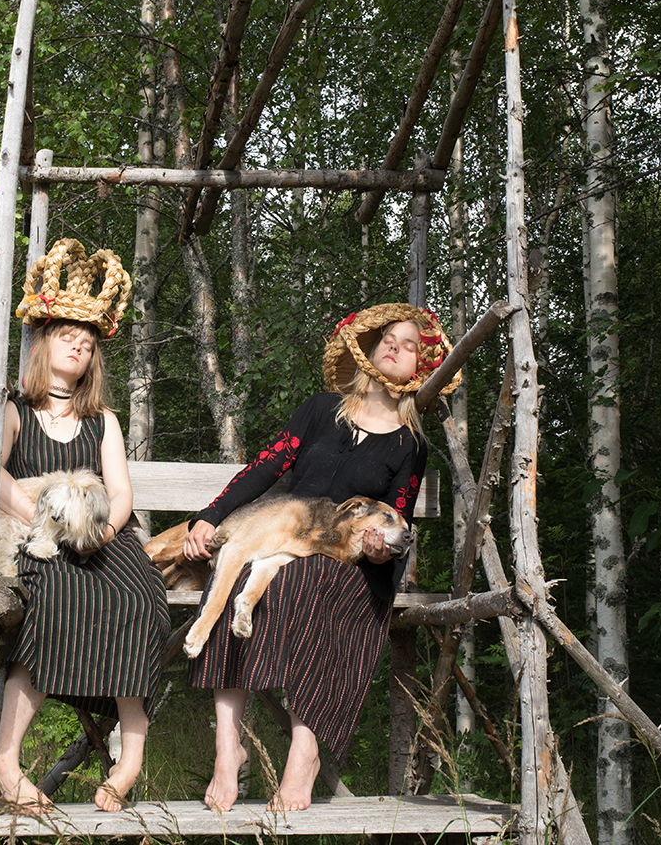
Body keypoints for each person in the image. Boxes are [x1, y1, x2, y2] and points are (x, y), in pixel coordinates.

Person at [182, 303, 459, 811]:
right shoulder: (320, 410)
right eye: (389, 338)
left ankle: (304, 754)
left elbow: (398, 517)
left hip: (353, 564)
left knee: (303, 582)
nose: (396, 346)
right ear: (371, 348)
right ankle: (228, 746)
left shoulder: (409, 444)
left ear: (418, 366)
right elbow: (265, 468)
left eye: (409, 345)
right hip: (291, 535)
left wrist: (379, 554)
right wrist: (210, 515)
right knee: (240, 572)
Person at [0, 239, 169, 813]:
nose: (79, 345)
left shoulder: (102, 420)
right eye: (69, 335)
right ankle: (6, 763)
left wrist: (104, 533)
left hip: (102, 539)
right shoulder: (15, 411)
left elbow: (122, 493)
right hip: (39, 540)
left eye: (88, 343)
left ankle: (129, 761)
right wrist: (42, 522)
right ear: (43, 343)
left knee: (140, 599)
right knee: (54, 601)